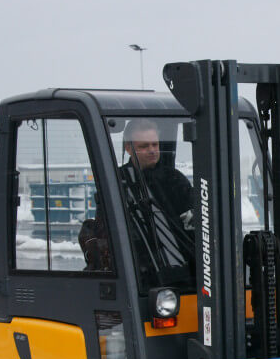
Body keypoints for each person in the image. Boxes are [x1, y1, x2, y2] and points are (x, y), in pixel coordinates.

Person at [78, 118, 194, 280]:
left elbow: (194, 224)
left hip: (181, 270)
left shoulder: (175, 180)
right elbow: (107, 230)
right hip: (137, 274)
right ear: (128, 148)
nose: (152, 150)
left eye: (155, 144)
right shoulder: (116, 182)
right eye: (144, 146)